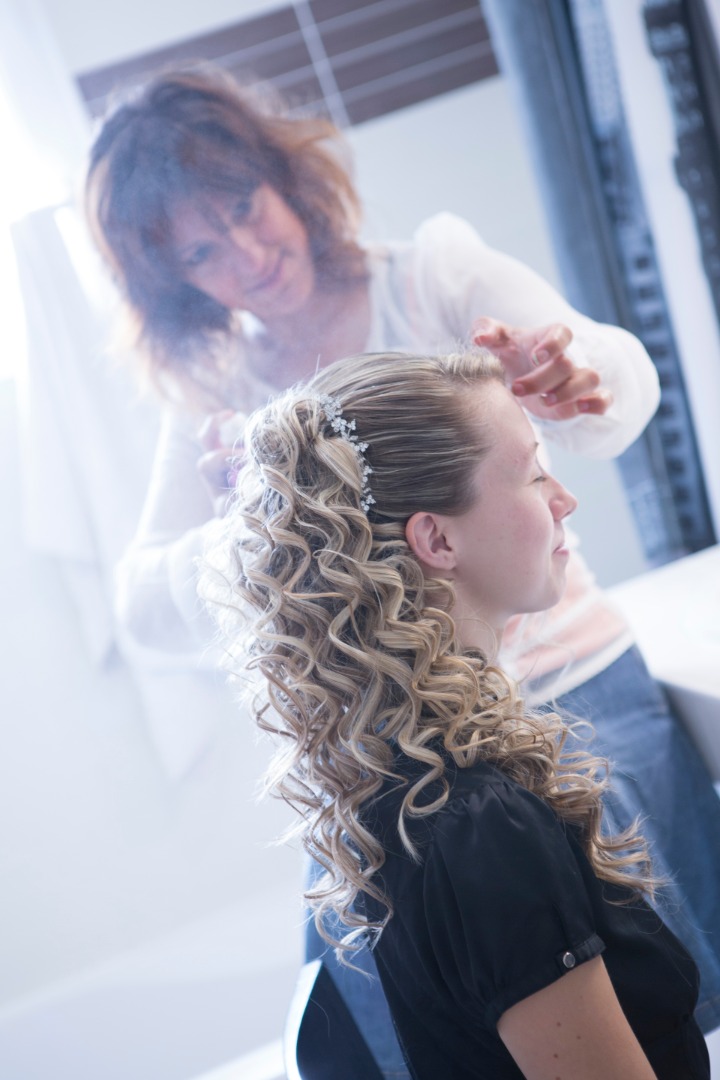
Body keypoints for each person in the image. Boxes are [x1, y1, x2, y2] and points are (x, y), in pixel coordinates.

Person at [84, 66, 720, 1069]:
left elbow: (621, 377)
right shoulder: (215, 399)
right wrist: (259, 506)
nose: (247, 255)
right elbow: (145, 610)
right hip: (406, 744)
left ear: (286, 178)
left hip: (571, 687)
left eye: (244, 208)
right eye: (203, 251)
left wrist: (576, 377)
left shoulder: (431, 276)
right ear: (175, 282)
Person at [200, 347, 710, 1079]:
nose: (563, 498)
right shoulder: (481, 830)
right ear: (437, 539)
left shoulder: (400, 783)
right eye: (534, 472)